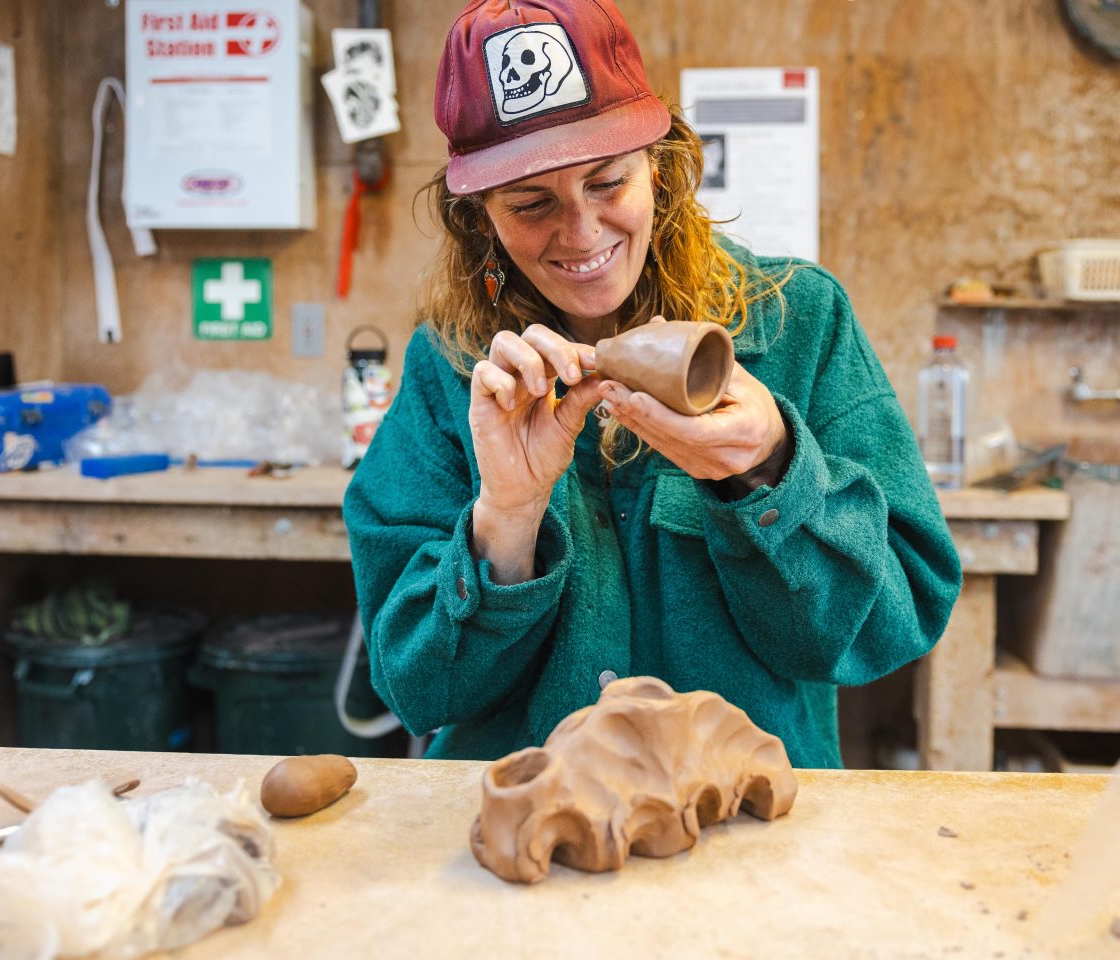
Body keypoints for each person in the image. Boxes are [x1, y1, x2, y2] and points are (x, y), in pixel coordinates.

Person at [343, 0, 961, 768]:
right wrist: (506, 518)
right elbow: (419, 691)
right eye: (531, 204)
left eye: (608, 182)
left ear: (662, 169)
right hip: (532, 826)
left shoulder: (798, 322)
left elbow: (893, 622)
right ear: (480, 221)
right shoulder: (453, 369)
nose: (581, 233)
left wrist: (769, 470)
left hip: (740, 826)